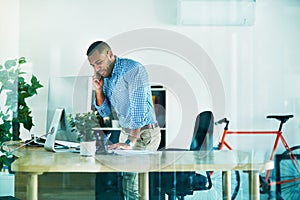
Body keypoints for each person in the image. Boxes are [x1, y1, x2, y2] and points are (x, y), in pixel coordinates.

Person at [87, 41, 161, 200]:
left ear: (110, 54)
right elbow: (105, 111)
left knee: (136, 187)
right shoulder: (106, 77)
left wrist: (130, 142)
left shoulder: (133, 69)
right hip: (126, 132)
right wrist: (99, 90)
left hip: (144, 134)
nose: (97, 69)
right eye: (93, 65)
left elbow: (139, 109)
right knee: (127, 184)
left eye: (98, 62)